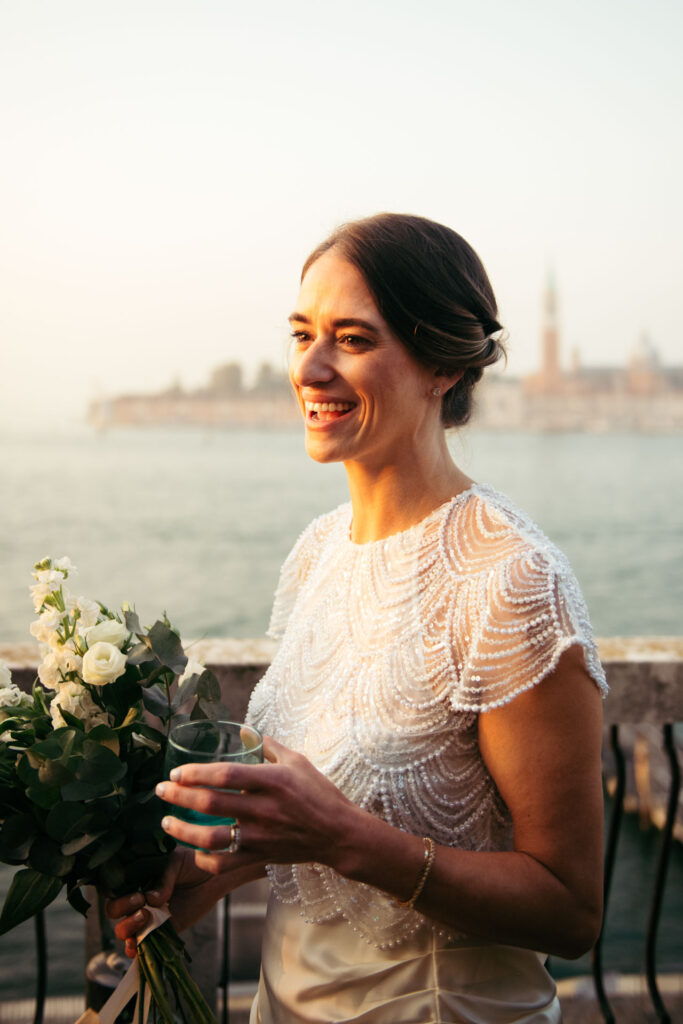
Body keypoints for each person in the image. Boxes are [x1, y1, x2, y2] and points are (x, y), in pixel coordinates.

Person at [108, 213, 607, 1023]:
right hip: (288, 998)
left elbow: (570, 909)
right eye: (302, 333)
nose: (309, 366)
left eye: (352, 339)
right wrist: (195, 881)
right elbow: (315, 827)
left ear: (442, 363)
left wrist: (343, 836)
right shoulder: (319, 551)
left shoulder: (511, 583)